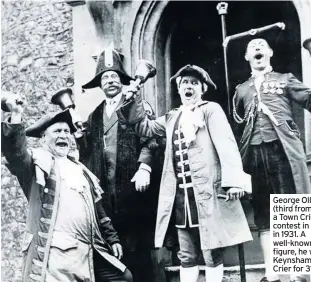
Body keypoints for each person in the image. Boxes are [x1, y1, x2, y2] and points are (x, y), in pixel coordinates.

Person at [121, 64, 253, 282]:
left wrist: (234, 182)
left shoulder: (211, 110)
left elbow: (227, 145)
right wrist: (133, 99)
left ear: (202, 88)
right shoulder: (172, 117)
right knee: (186, 254)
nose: (188, 87)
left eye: (193, 83)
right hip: (181, 198)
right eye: (184, 84)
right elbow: (144, 127)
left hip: (208, 193)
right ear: (179, 90)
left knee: (212, 251)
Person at [1, 94, 133, 282]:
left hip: (89, 248)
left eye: (66, 132)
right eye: (57, 132)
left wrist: (112, 238)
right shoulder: (37, 163)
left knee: (123, 277)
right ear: (43, 138)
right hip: (56, 252)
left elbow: (97, 206)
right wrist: (15, 114)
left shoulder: (80, 168)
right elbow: (15, 153)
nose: (63, 135)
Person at [232, 38, 311, 282]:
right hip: (254, 155)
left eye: (262, 45)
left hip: (282, 151)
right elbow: (237, 125)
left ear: (270, 52)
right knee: (263, 214)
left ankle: (299, 274)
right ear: (246, 56)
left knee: (290, 207)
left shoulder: (284, 79)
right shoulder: (241, 90)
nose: (257, 48)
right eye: (252, 46)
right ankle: (272, 273)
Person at [78, 48, 156, 282]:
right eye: (105, 78)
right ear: (100, 85)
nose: (110, 81)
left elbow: (150, 140)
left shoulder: (136, 105)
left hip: (133, 189)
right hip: (106, 194)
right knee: (113, 250)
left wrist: (145, 167)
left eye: (114, 77)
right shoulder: (94, 115)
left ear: (122, 81)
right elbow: (87, 153)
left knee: (138, 250)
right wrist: (80, 138)